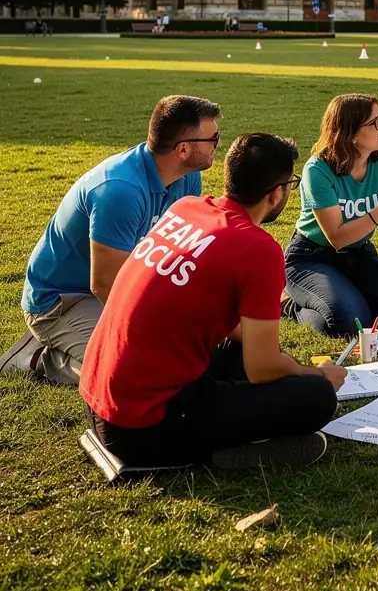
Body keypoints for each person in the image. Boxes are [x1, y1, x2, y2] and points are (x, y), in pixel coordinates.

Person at [79, 133, 343, 469]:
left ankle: (224, 421)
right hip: (141, 429)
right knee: (317, 399)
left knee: (240, 354)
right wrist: (314, 375)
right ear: (277, 193)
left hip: (98, 400)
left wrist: (283, 365)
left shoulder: (185, 208)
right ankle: (223, 453)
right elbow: (263, 368)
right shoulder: (258, 248)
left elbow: (245, 342)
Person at [0, 96, 221, 384]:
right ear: (182, 149)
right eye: (213, 138)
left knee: (184, 350)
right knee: (133, 373)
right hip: (61, 301)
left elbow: (174, 249)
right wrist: (152, 325)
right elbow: (103, 283)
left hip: (116, 283)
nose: (218, 144)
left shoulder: (186, 176)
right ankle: (39, 356)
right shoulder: (120, 191)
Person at [283, 94, 378, 336]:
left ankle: (348, 295)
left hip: (359, 255)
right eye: (375, 122)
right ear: (350, 132)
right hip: (312, 258)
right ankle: (291, 305)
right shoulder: (317, 170)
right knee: (349, 323)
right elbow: (337, 238)